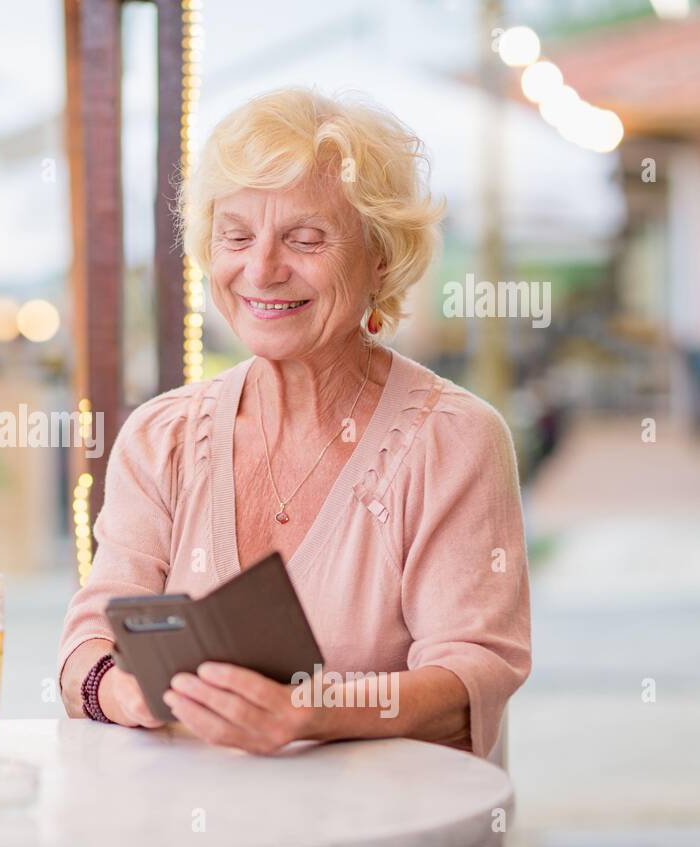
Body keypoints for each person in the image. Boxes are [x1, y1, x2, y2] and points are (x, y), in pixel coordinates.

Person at [58, 88, 531, 762]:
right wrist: (127, 692)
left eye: (306, 239)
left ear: (380, 259)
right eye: (237, 236)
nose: (263, 269)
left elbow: (470, 677)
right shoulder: (158, 437)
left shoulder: (454, 440)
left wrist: (309, 712)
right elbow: (88, 645)